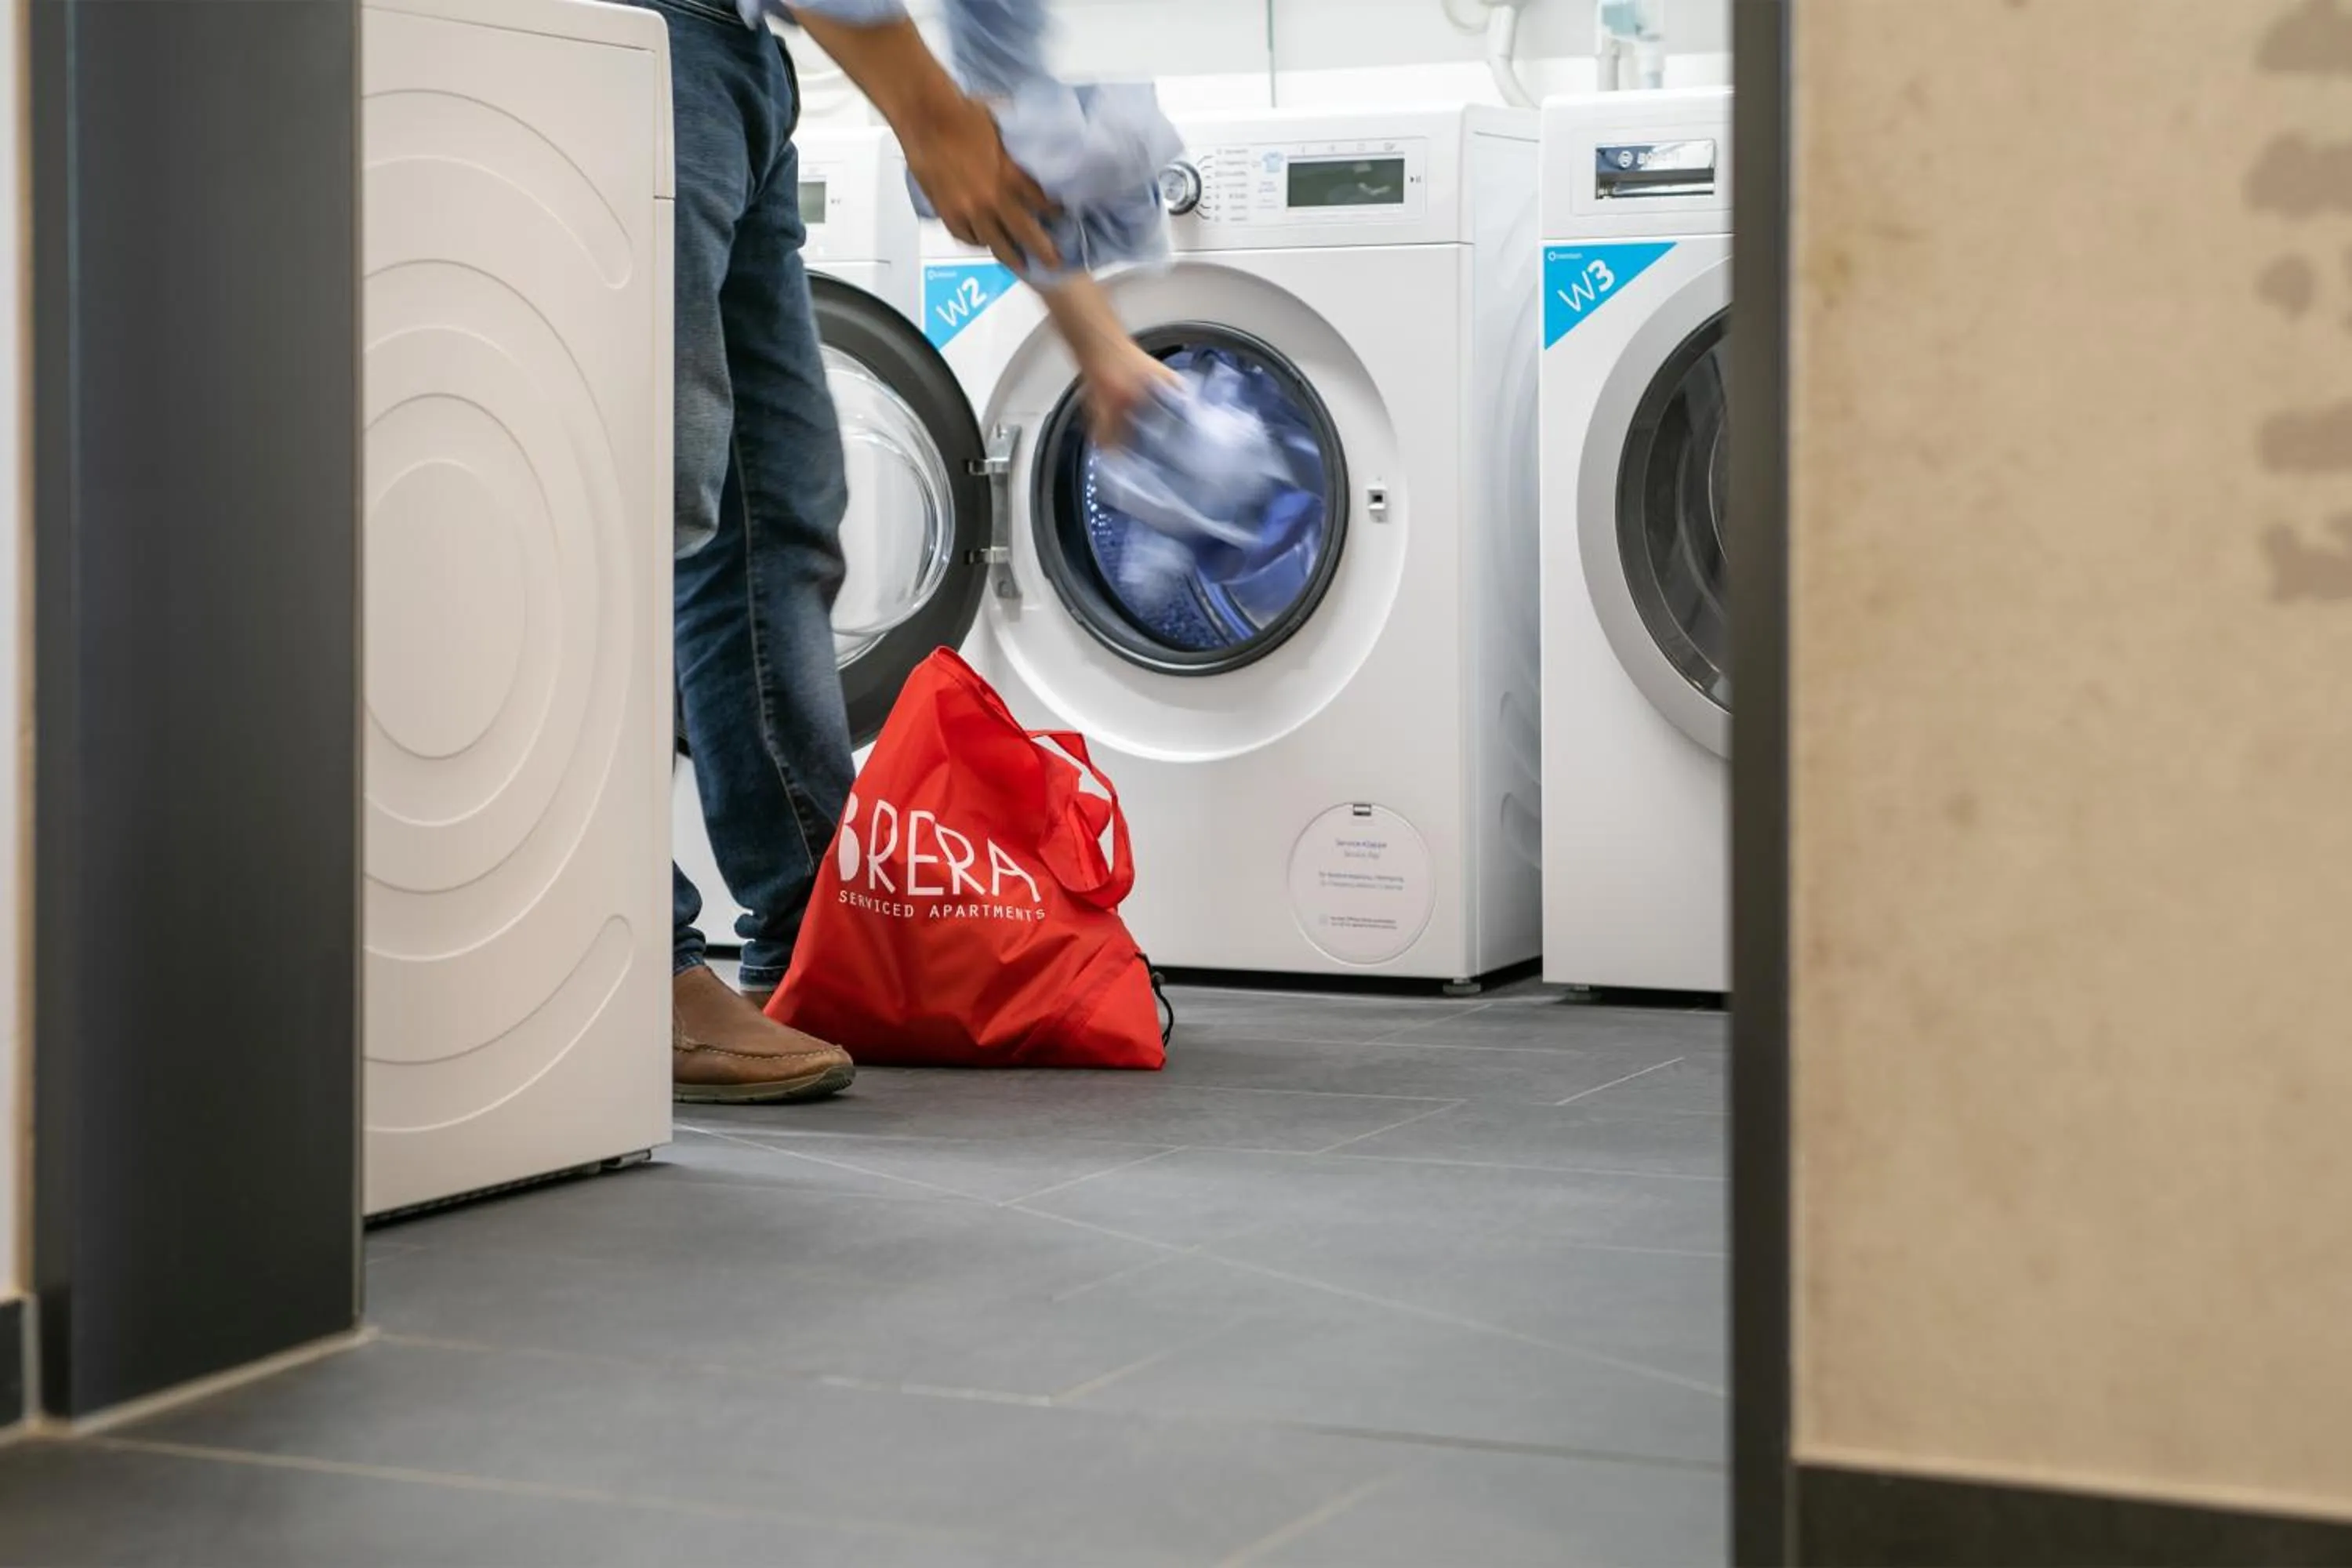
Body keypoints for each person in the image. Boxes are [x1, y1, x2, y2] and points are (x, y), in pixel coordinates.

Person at [649, 0, 1172, 1104]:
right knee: (638, 498)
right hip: (630, 38)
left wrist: (1100, 343)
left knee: (772, 511)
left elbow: (1000, 127)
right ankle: (632, 966)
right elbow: (951, 121)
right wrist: (928, 112)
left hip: (744, 65)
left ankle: (823, 937)